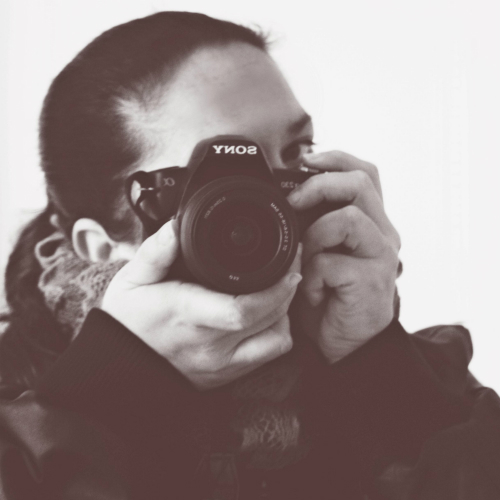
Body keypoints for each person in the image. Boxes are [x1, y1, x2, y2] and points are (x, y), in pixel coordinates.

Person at [0, 11, 498, 500]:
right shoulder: (18, 429)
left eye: (297, 150)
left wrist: (380, 368)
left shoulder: (425, 381)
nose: (271, 197)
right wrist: (115, 387)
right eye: (223, 176)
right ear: (104, 247)